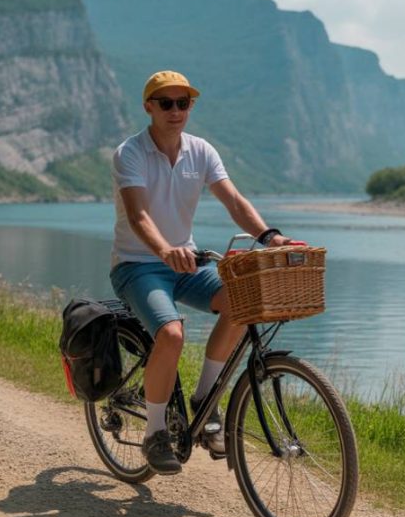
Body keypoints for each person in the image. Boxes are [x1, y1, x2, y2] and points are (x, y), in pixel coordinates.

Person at [110, 70, 291, 475]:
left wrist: (268, 235)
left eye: (184, 103)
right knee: (172, 334)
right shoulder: (131, 152)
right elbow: (138, 214)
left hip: (186, 262)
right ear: (149, 107)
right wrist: (164, 250)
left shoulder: (201, 151)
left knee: (242, 304)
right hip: (138, 265)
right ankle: (155, 433)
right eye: (166, 103)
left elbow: (234, 200)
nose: (176, 111)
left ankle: (205, 397)